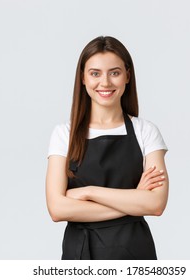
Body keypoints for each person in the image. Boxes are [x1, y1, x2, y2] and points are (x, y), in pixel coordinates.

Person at [46, 36, 169, 260]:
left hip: (134, 254)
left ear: (127, 76)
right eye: (95, 73)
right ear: (82, 78)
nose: (105, 82)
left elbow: (156, 204)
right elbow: (57, 209)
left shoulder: (146, 131)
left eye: (114, 72)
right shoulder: (64, 134)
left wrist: (88, 192)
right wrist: (134, 201)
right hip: (81, 255)